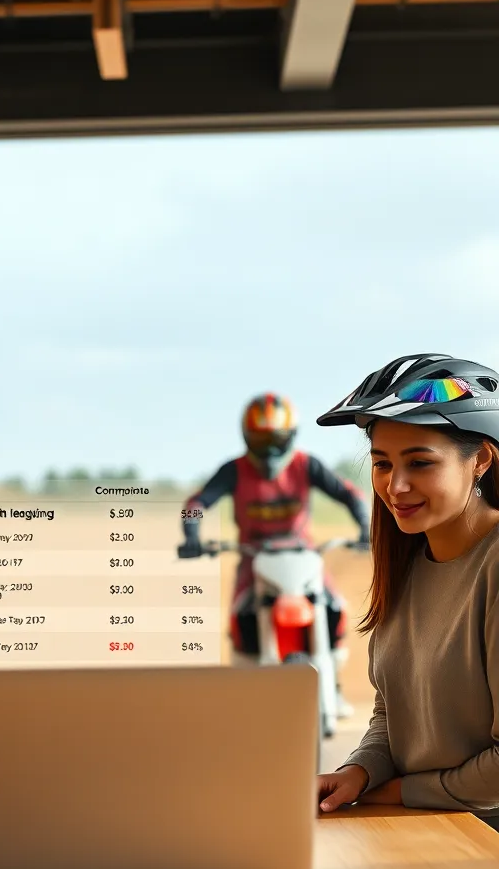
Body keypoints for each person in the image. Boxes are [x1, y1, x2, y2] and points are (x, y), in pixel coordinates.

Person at [315, 354, 499, 830]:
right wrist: (361, 770)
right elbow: (392, 708)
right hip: (426, 824)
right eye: (382, 464)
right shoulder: (408, 561)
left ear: (481, 459)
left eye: (419, 462)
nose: (395, 486)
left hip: (479, 836)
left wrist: (399, 792)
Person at [177, 392, 370, 714]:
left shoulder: (305, 465)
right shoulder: (234, 470)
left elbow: (348, 493)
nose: (268, 451)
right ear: (246, 438)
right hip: (254, 559)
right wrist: (192, 533)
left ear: (291, 437)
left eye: (276, 440)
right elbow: (196, 504)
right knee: (241, 618)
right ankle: (250, 686)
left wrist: (365, 523)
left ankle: (332, 686)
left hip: (304, 557)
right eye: (260, 440)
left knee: (335, 607)